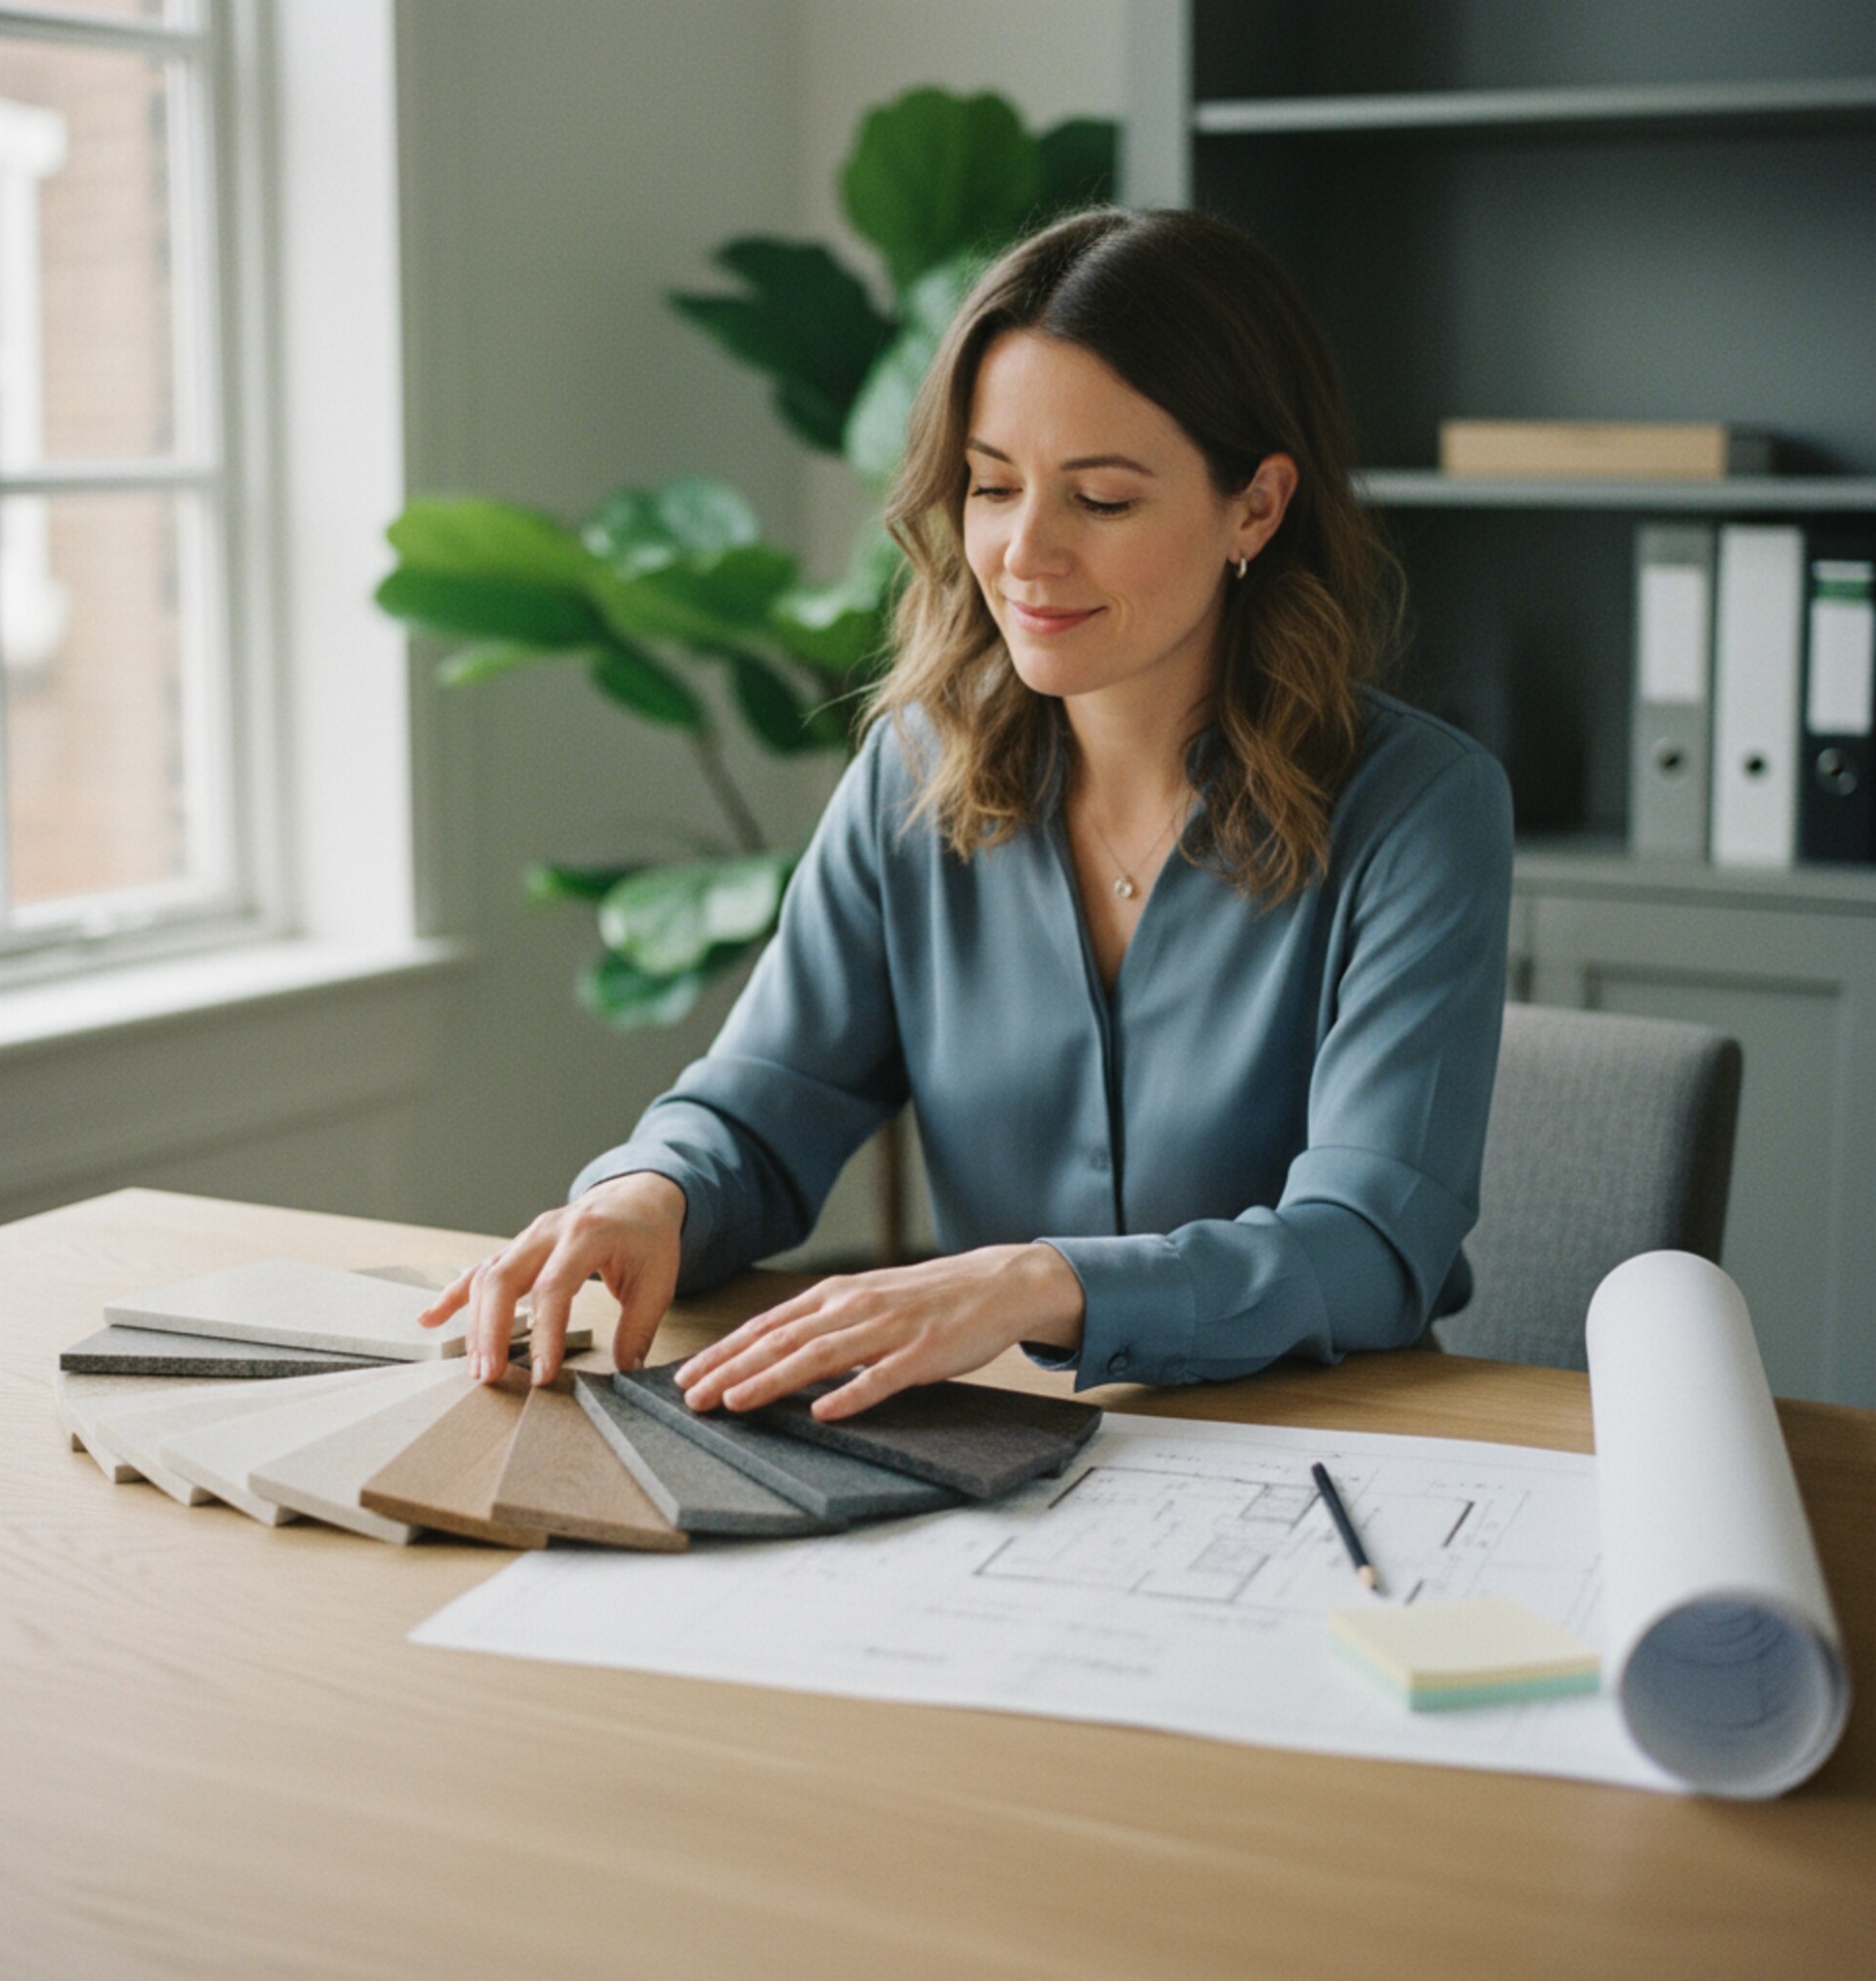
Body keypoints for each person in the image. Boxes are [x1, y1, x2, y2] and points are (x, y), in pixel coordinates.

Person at [419, 206, 1513, 1426]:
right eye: (991, 486)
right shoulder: (911, 771)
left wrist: (1035, 1284)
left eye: (1099, 499)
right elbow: (762, 1106)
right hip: (1001, 1451)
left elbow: (1365, 1244)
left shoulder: (1418, 807)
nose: (1023, 552)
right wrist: (647, 1193)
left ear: (1253, 507)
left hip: (1332, 1447)